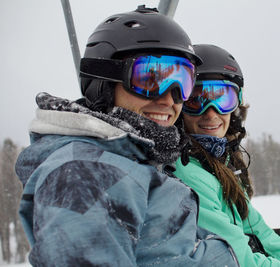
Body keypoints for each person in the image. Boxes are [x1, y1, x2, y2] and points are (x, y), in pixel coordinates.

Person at [15, 7, 239, 267]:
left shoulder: (135, 160)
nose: (168, 98)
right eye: (149, 79)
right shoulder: (85, 172)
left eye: (182, 82)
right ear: (103, 83)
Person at [174, 44, 280, 267]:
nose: (211, 112)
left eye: (222, 99)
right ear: (180, 107)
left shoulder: (220, 164)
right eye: (196, 100)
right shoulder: (188, 173)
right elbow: (240, 261)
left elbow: (261, 232)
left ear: (235, 106)